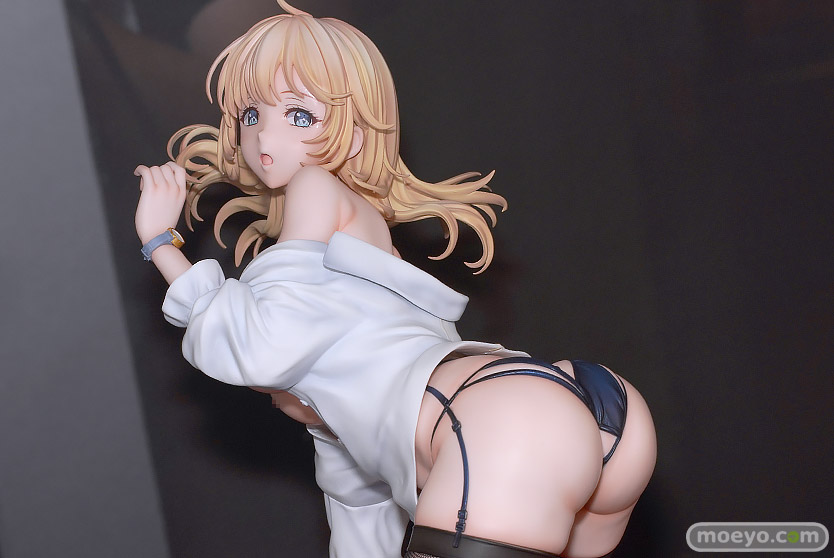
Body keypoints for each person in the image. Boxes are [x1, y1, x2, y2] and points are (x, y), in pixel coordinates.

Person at [134, 2, 656, 557]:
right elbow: (361, 513)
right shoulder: (365, 260)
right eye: (250, 114)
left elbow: (259, 347)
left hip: (493, 424)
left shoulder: (313, 186)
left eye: (300, 116)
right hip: (591, 406)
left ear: (356, 136)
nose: (265, 135)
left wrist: (161, 242)